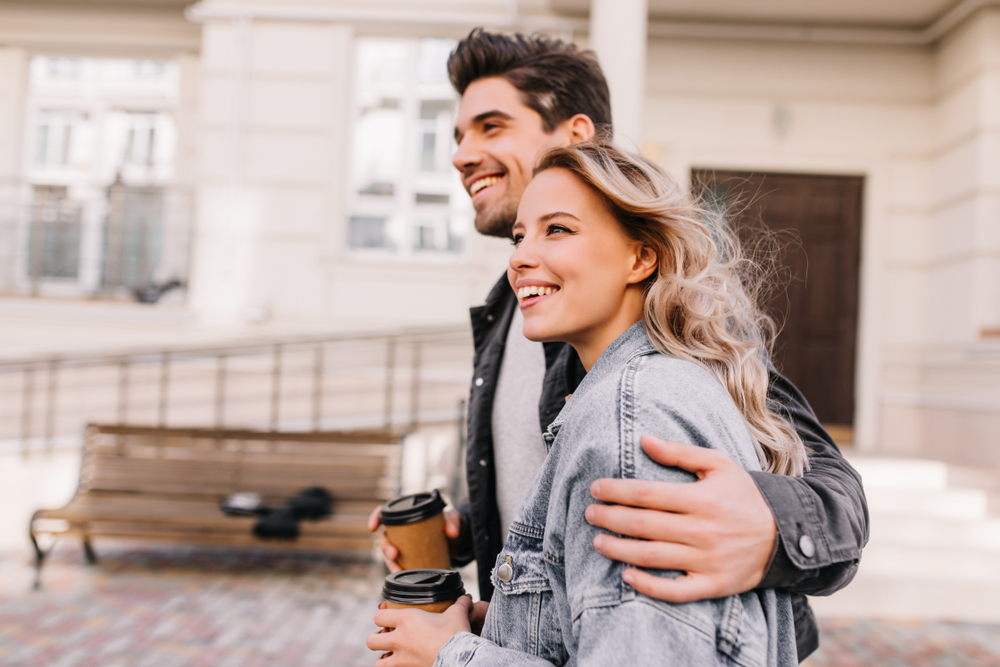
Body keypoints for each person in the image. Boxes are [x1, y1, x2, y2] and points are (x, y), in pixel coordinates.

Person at [368, 29, 868, 661]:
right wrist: (466, 533)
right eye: (459, 136)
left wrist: (764, 528)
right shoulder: (513, 311)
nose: (463, 155)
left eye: (491, 128)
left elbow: (833, 496)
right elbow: (565, 503)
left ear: (579, 136)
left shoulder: (662, 345)